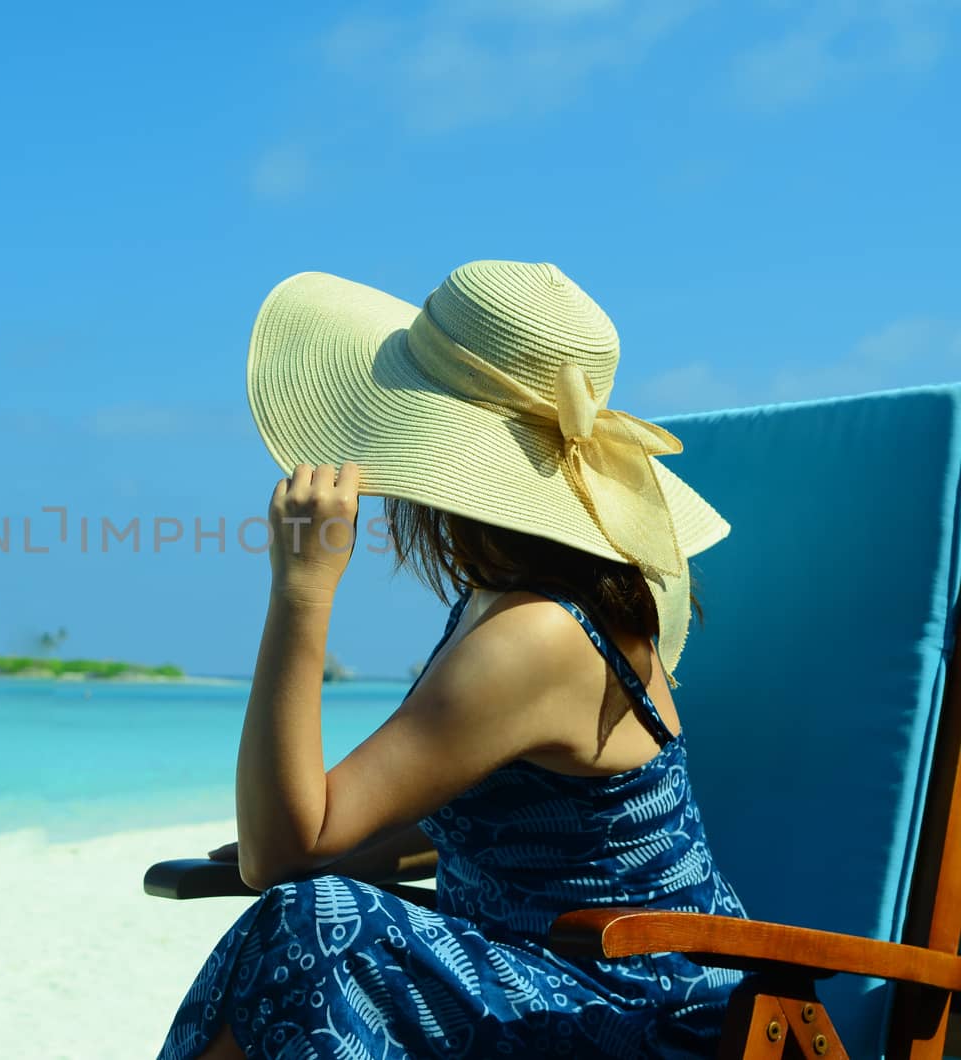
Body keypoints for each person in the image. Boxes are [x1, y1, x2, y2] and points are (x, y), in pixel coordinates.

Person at [158, 261, 748, 1059]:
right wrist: (340, 850)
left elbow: (278, 853)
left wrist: (302, 588)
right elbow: (533, 830)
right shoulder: (508, 601)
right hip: (562, 979)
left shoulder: (533, 637)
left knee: (306, 927)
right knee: (313, 914)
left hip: (648, 1011)